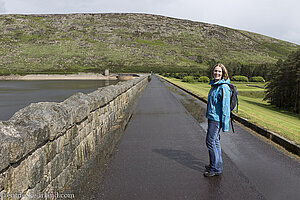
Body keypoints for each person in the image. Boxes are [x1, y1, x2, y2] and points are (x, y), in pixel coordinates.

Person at [204, 63, 231, 177]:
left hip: (216, 120)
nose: (217, 73)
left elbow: (225, 109)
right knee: (215, 142)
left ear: (223, 73)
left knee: (210, 142)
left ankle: (214, 168)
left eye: (219, 71)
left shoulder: (224, 87)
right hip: (212, 117)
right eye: (215, 71)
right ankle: (216, 165)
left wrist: (225, 125)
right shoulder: (214, 85)